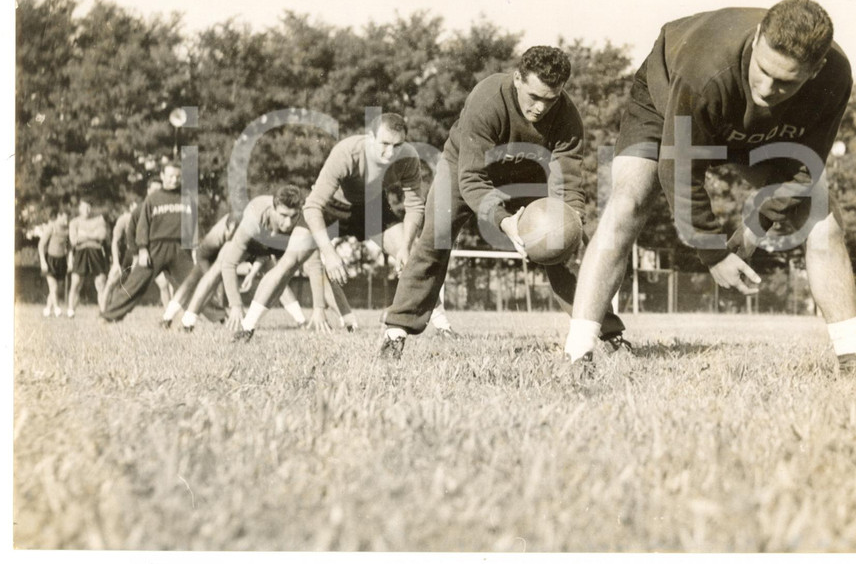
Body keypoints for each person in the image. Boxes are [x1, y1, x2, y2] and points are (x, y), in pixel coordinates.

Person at [564, 0, 856, 374]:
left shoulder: (835, 76)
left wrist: (755, 227)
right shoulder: (705, 68)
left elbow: (806, 167)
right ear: (758, 36)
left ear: (816, 69)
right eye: (763, 70)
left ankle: (854, 357)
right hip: (668, 95)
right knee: (628, 202)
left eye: (786, 82)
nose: (766, 88)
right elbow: (678, 169)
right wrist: (712, 250)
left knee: (823, 217)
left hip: (757, 132)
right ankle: (577, 354)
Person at [380, 45, 630, 358]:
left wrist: (573, 220)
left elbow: (568, 184)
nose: (540, 108)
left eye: (549, 100)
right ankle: (396, 331)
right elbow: (472, 179)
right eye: (534, 97)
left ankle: (608, 333)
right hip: (466, 166)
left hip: (528, 173)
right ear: (517, 79)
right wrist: (504, 220)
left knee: (562, 246)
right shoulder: (487, 101)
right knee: (435, 236)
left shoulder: (567, 118)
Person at [233, 114, 454, 341]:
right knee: (289, 261)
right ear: (370, 138)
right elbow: (312, 207)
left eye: (397, 146)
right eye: (384, 144)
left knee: (414, 258)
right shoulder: (347, 152)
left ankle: (443, 327)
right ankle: (246, 328)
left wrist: (405, 247)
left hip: (372, 208)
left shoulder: (407, 157)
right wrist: (329, 254)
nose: (390, 153)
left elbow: (415, 207)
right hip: (331, 207)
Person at [162, 187, 319, 332]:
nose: (288, 223)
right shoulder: (251, 220)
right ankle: (187, 321)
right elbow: (229, 264)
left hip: (257, 246)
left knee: (277, 274)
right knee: (215, 269)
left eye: (293, 217)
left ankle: (301, 321)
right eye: (283, 216)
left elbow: (307, 262)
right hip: (226, 242)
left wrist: (253, 272)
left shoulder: (300, 221)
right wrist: (236, 304)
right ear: (272, 209)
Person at [102, 161, 196, 322]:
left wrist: (191, 251)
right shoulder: (151, 200)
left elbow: (191, 228)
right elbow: (140, 227)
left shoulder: (186, 199)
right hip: (155, 249)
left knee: (195, 281)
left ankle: (221, 318)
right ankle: (109, 315)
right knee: (134, 285)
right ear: (162, 176)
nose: (174, 180)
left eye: (178, 177)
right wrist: (142, 250)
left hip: (178, 249)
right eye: (170, 176)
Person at [102, 181, 173, 311]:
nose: (157, 192)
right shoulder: (127, 218)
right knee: (112, 282)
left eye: (159, 189)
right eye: (154, 189)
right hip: (129, 254)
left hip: (148, 253)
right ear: (148, 191)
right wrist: (116, 263)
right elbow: (115, 241)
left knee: (163, 283)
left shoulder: (158, 211)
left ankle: (168, 317)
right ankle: (103, 312)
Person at [67, 198, 109, 316]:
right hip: (80, 253)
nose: (87, 210)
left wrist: (84, 235)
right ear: (79, 208)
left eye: (89, 207)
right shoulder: (74, 222)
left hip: (96, 253)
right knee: (76, 282)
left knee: (100, 282)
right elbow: (74, 240)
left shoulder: (99, 220)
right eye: (84, 207)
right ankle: (71, 310)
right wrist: (93, 235)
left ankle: (103, 312)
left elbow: (102, 236)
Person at [37, 207, 70, 317]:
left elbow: (69, 246)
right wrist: (43, 261)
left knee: (58, 288)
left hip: (61, 260)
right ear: (59, 216)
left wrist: (70, 259)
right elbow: (41, 245)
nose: (66, 220)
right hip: (50, 260)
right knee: (53, 287)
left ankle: (47, 308)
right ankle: (56, 308)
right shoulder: (51, 227)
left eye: (67, 218)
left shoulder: (67, 229)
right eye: (64, 218)